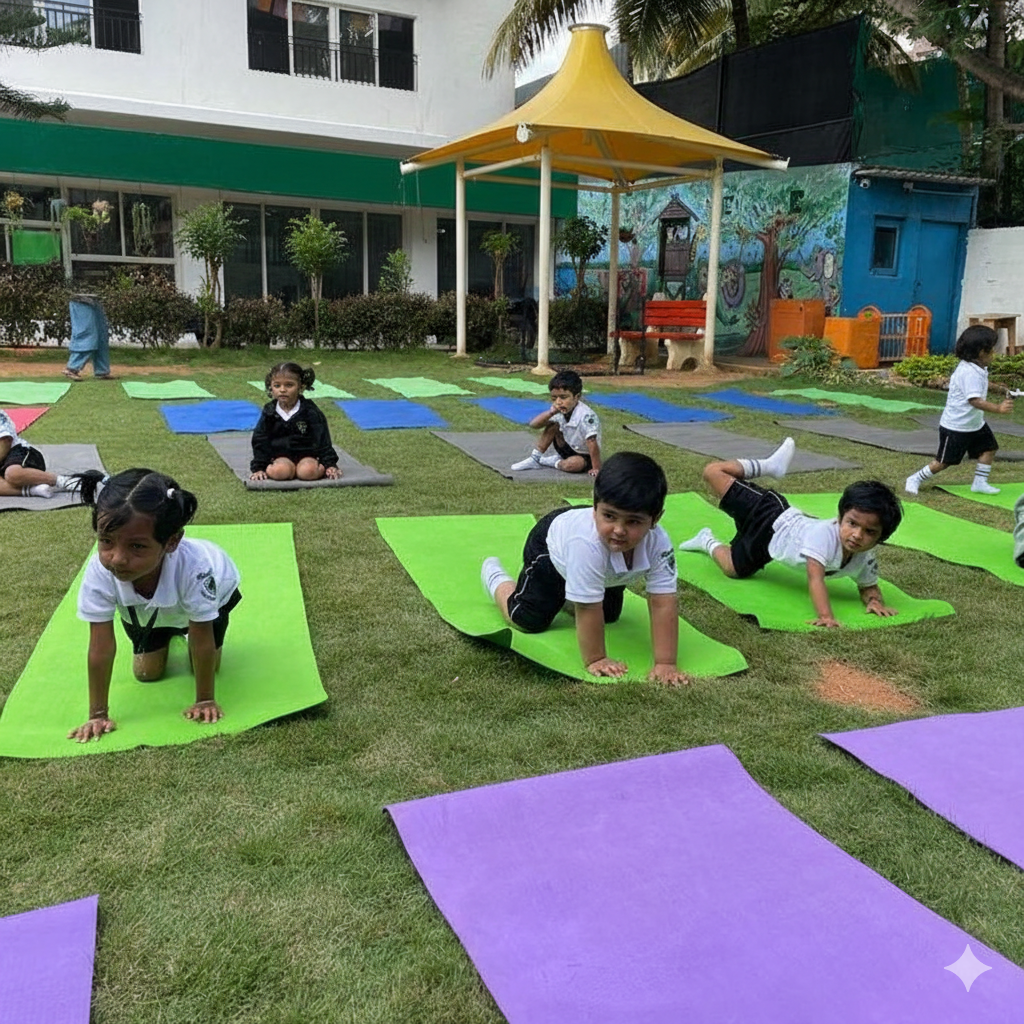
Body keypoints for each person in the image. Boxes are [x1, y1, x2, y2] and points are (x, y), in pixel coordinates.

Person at [482, 451, 688, 685]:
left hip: (603, 566)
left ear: (655, 519)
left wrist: (665, 663)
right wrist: (596, 658)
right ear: (595, 508)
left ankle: (573, 589)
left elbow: (663, 602)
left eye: (633, 521)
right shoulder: (584, 544)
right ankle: (494, 576)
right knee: (528, 620)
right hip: (551, 549)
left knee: (608, 616)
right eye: (609, 516)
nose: (619, 530)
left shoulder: (658, 542)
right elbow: (588, 607)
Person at [68, 468, 242, 742]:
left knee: (205, 665)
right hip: (148, 611)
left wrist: (205, 700)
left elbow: (202, 635)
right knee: (146, 673)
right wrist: (97, 714)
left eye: (136, 547)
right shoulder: (100, 571)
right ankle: (168, 632)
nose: (118, 559)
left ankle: (178, 630)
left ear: (172, 541)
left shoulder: (196, 569)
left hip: (213, 597)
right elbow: (100, 646)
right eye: (106, 541)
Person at [679, 438, 903, 628]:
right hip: (770, 515)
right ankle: (769, 466)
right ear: (840, 518)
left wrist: (874, 602)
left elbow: (869, 586)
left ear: (880, 538)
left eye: (869, 532)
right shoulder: (825, 536)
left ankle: (705, 539)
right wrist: (826, 617)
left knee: (733, 570)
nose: (857, 535)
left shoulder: (865, 558)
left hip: (768, 545)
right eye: (852, 523)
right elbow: (815, 579)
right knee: (712, 472)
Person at [905, 325, 1013, 496]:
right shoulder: (968, 372)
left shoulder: (978, 368)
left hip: (975, 424)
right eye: (991, 350)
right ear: (981, 353)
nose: (994, 353)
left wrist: (1000, 389)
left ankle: (980, 482)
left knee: (989, 448)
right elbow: (974, 400)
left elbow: (982, 385)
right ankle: (915, 478)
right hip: (956, 427)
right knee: (944, 462)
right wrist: (998, 408)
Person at [250, 362, 341, 482]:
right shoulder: (270, 412)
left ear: (301, 387)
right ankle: (289, 469)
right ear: (270, 387)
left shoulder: (310, 411)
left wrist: (330, 464)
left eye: (289, 385)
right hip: (280, 457)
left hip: (307, 456)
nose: (282, 390)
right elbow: (260, 439)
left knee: (308, 472)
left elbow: (322, 438)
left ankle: (307, 468)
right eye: (277, 386)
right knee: (279, 472)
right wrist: (259, 467)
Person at [510, 369, 602, 476]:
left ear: (577, 397)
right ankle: (535, 458)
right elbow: (534, 425)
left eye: (563, 397)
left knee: (571, 465)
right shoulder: (558, 411)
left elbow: (592, 442)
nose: (558, 402)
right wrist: (550, 413)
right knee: (553, 423)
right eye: (554, 398)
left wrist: (596, 468)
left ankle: (553, 462)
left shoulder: (586, 415)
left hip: (583, 454)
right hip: (566, 447)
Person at [0, 409, 101, 498]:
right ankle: (35, 490)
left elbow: (5, 442)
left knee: (12, 474)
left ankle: (64, 481)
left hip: (19, 452)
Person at [63, 293, 113, 381]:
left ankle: (102, 370)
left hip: (94, 298)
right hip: (79, 298)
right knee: (86, 332)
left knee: (101, 333)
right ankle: (72, 368)